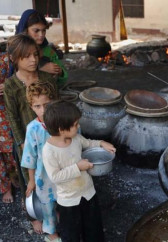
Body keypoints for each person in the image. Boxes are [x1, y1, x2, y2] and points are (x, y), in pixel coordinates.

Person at [3, 33, 58, 233]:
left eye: (35, 54)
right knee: (30, 180)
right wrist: (21, 144)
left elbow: (56, 106)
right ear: (14, 58)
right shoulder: (11, 85)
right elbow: (12, 117)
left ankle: (52, 209)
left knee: (52, 175)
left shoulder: (46, 78)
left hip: (49, 137)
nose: (33, 60)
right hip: (27, 143)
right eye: (26, 56)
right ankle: (34, 215)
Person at [42, 100, 116, 242]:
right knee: (71, 233)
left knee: (93, 229)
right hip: (68, 200)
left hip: (88, 193)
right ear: (61, 129)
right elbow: (55, 176)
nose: (78, 126)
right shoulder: (49, 151)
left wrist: (101, 143)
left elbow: (88, 143)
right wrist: (77, 168)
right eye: (75, 125)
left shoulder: (75, 138)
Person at [21, 81, 60, 242]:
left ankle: (62, 220)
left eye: (47, 104)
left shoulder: (61, 122)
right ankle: (52, 234)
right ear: (31, 107)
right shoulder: (33, 128)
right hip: (43, 175)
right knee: (47, 204)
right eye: (37, 106)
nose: (43, 110)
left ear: (54, 101)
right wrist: (31, 181)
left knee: (63, 199)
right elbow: (30, 157)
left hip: (63, 170)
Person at [16, 9, 67, 88]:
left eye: (44, 30)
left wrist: (60, 72)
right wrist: (40, 69)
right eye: (36, 31)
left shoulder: (48, 51)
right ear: (25, 30)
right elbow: (14, 78)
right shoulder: (16, 51)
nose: (41, 35)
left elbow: (64, 78)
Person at [0, 52, 17, 203]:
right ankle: (6, 188)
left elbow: (24, 76)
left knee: (12, 150)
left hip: (6, 111)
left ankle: (24, 186)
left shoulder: (6, 58)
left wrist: (8, 85)